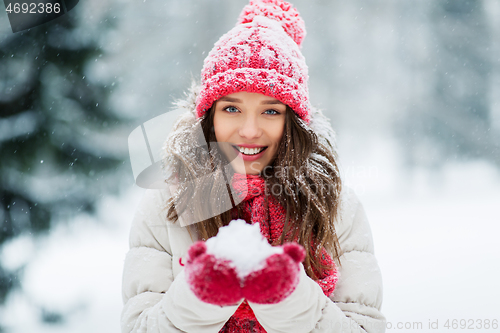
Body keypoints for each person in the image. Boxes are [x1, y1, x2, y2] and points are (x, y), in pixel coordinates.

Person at [121, 0, 385, 332]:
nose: (249, 130)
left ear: (293, 122)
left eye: (270, 111)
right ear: (209, 117)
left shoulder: (334, 206)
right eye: (231, 109)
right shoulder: (167, 202)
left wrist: (288, 296)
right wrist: (201, 295)